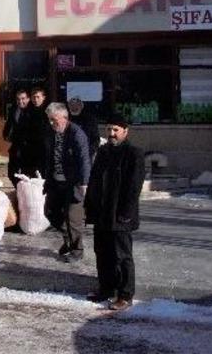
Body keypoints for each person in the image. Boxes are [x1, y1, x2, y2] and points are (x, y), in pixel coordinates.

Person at [85, 113, 145, 311]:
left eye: (116, 130)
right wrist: (90, 206)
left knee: (122, 255)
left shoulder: (133, 153)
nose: (111, 133)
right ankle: (106, 289)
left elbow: (134, 187)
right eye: (109, 129)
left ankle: (125, 295)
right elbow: (94, 180)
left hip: (120, 214)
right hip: (102, 213)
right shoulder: (103, 152)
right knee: (102, 252)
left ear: (125, 131)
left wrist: (126, 213)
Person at [42, 102, 92, 263]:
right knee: (50, 212)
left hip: (73, 183)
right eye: (49, 120)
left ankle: (77, 250)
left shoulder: (77, 134)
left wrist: (84, 183)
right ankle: (68, 240)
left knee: (73, 218)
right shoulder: (50, 133)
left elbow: (85, 160)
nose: (51, 124)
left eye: (54, 120)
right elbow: (48, 156)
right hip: (55, 182)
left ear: (65, 118)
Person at [3, 89, 33, 185]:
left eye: (23, 99)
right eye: (18, 99)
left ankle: (24, 193)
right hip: (16, 145)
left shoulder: (33, 111)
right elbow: (9, 124)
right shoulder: (14, 109)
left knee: (26, 174)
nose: (20, 101)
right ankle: (18, 189)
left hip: (29, 147)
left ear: (28, 99)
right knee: (12, 173)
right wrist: (6, 134)